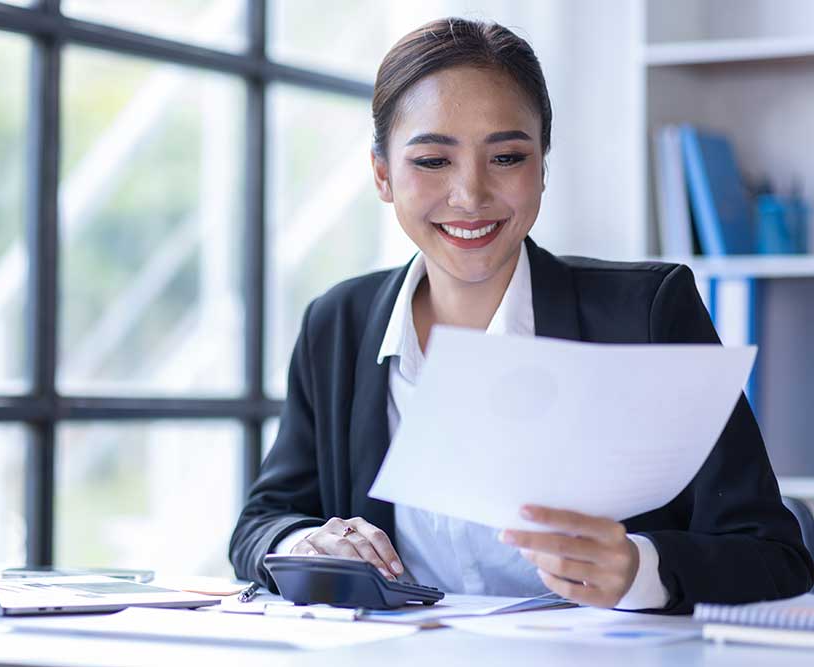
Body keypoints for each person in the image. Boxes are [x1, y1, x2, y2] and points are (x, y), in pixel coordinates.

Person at [229, 17, 813, 614]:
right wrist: (306, 541)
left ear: (543, 166)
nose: (471, 195)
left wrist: (642, 569)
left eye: (507, 156)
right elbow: (260, 523)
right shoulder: (339, 324)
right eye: (433, 160)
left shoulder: (646, 313)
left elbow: (777, 558)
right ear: (383, 174)